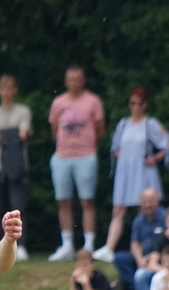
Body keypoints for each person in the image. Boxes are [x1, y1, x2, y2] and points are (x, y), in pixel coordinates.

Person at [97, 87, 169, 263]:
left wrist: (155, 158)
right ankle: (109, 248)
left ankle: (147, 249)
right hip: (125, 171)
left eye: (139, 103)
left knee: (144, 208)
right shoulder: (123, 124)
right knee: (118, 209)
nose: (135, 107)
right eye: (132, 103)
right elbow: (116, 146)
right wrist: (121, 156)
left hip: (143, 170)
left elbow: (168, 143)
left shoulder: (150, 124)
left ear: (145, 104)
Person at [47, 66, 106, 262]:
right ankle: (67, 245)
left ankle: (88, 245)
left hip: (86, 156)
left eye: (77, 79)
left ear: (83, 80)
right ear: (66, 82)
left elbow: (100, 130)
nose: (74, 83)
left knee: (87, 201)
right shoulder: (58, 102)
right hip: (62, 157)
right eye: (70, 79)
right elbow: (55, 128)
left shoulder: (93, 101)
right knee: (63, 201)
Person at [0, 74, 32, 261]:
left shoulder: (23, 111)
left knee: (18, 206)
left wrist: (1, 135)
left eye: (9, 89)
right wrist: (12, 134)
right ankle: (3, 245)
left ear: (15, 90)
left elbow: (23, 135)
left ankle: (22, 246)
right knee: (0, 208)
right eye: (3, 89)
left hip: (17, 165)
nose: (6, 93)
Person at [113, 188, 167, 290]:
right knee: (120, 258)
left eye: (150, 201)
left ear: (157, 201)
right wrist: (140, 260)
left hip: (160, 256)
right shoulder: (138, 220)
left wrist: (152, 257)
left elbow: (167, 243)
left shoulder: (165, 218)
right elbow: (134, 243)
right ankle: (135, 288)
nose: (147, 205)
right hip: (143, 257)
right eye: (144, 202)